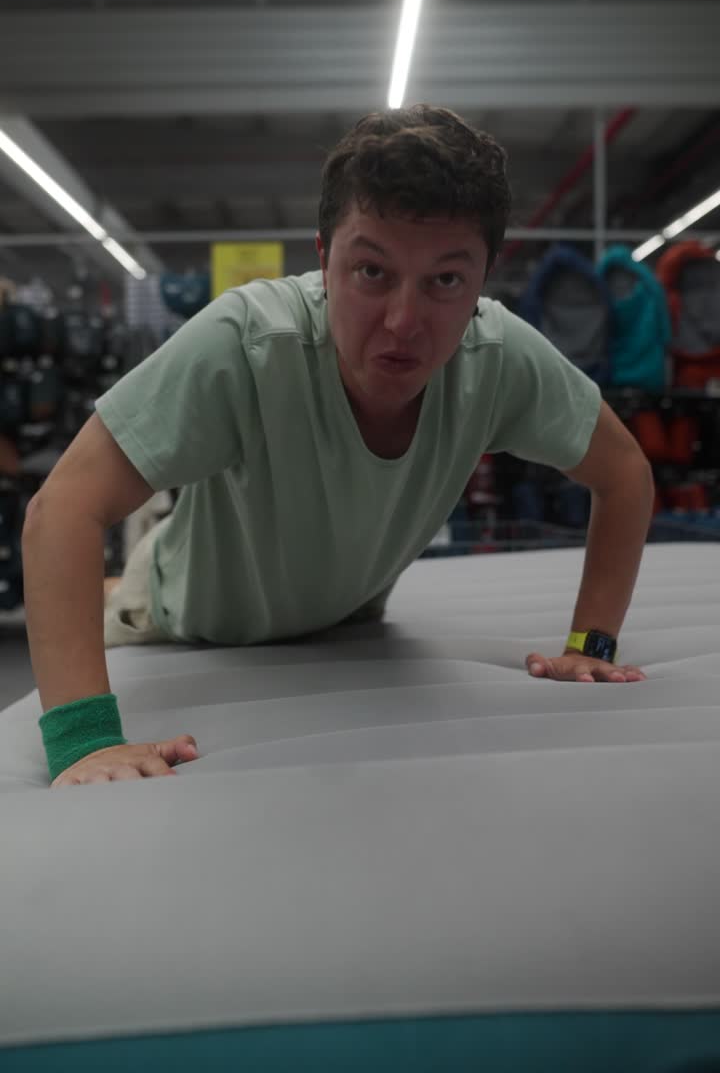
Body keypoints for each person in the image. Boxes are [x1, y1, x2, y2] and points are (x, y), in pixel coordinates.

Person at [22, 105, 652, 789]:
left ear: (482, 280)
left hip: (335, 631)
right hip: (176, 626)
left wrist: (592, 644)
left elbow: (624, 473)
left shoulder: (495, 359)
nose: (404, 322)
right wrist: (84, 743)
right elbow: (60, 510)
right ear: (324, 261)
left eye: (445, 280)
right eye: (372, 272)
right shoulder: (250, 346)